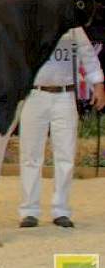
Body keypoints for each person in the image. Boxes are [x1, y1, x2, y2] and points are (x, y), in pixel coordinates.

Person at [18, 27, 105, 228]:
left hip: (65, 94)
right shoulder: (31, 21)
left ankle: (61, 209)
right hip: (34, 94)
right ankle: (29, 210)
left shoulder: (73, 26)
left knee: (65, 154)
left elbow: (88, 54)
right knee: (30, 154)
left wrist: (98, 84)